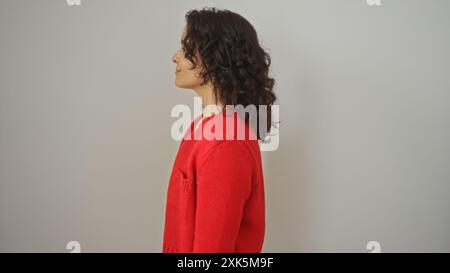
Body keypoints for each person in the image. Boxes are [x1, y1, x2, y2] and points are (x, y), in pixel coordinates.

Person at [163, 7, 277, 253]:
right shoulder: (204, 127)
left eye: (185, 48)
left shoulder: (226, 142)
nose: (175, 56)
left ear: (214, 57)